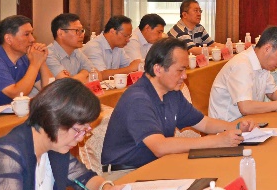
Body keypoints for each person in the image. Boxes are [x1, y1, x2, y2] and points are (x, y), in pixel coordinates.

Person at [102, 38, 256, 172]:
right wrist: (216, 141)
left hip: (158, 165)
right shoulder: (137, 99)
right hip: (126, 172)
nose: (184, 76)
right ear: (158, 69)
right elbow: (160, 147)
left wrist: (236, 127)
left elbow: (204, 123)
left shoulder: (171, 93)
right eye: (180, 70)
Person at [208, 26, 277, 121]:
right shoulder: (241, 64)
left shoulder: (263, 64)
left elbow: (272, 92)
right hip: (227, 125)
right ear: (267, 49)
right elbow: (245, 107)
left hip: (248, 121)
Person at [81, 15, 142, 79]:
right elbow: (101, 75)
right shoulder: (93, 47)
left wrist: (135, 66)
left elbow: (129, 66)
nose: (128, 40)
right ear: (112, 31)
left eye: (129, 36)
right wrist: (130, 69)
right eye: (125, 36)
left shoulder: (118, 47)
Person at [44, 13, 94, 83]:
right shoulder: (48, 54)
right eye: (77, 31)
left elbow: (96, 74)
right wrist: (85, 73)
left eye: (82, 31)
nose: (82, 35)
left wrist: (80, 75)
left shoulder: (76, 51)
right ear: (61, 33)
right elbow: (66, 84)